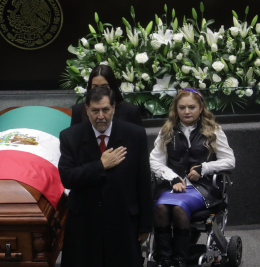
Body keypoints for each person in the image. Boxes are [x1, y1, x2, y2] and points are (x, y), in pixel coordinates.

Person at [58, 86, 153, 267]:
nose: (100, 116)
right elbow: (67, 177)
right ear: (86, 109)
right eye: (95, 111)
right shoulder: (70, 136)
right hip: (85, 224)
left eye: (105, 110)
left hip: (123, 222)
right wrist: (100, 165)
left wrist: (145, 225)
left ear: (114, 108)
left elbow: (143, 182)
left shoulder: (135, 134)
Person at [149, 88, 235, 267]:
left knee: (179, 208)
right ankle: (164, 258)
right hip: (173, 186)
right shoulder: (167, 131)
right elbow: (154, 161)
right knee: (161, 208)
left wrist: (205, 168)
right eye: (182, 107)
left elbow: (229, 161)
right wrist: (171, 177)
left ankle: (180, 260)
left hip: (203, 187)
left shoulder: (213, 131)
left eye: (191, 107)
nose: (186, 111)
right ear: (176, 109)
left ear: (201, 107)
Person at [70, 65, 142, 127]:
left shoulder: (131, 111)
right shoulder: (78, 110)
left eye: (104, 87)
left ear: (112, 87)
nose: (99, 91)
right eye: (95, 87)